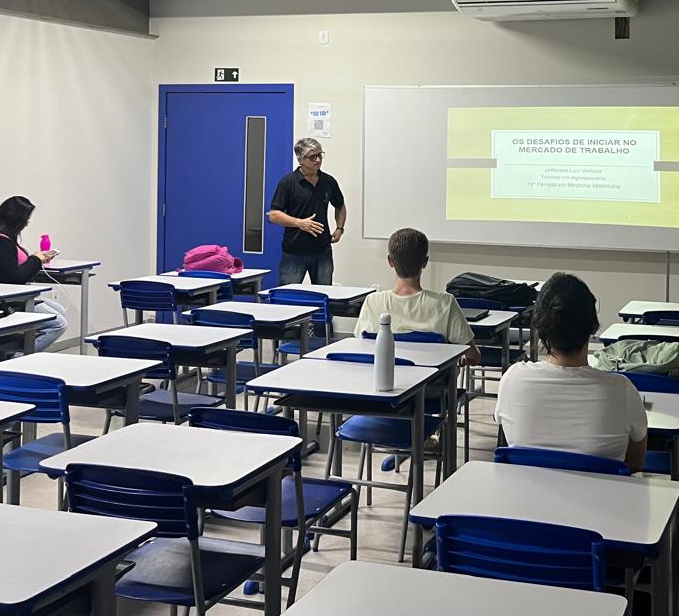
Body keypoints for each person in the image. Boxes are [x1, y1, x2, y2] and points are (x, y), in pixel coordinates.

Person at [493, 272, 648, 471]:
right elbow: (634, 465)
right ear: (594, 327)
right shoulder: (621, 390)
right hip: (600, 492)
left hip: (527, 491)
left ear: (539, 326)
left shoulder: (512, 379)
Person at [353, 227, 479, 365]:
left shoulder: (373, 302)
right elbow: (474, 356)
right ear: (425, 262)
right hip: (434, 377)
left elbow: (361, 347)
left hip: (384, 374)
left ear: (390, 261)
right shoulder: (445, 303)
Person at [0, 196, 67, 353]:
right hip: (5, 300)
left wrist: (34, 259)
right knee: (58, 324)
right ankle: (17, 358)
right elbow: (16, 277)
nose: (27, 223)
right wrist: (36, 260)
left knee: (59, 309)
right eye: (26, 219)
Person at [267, 137, 346, 285]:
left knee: (324, 293)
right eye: (312, 157)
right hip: (294, 252)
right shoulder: (288, 182)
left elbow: (340, 205)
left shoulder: (329, 182)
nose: (318, 160)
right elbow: (274, 215)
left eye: (320, 155)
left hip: (322, 250)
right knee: (288, 295)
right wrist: (299, 223)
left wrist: (340, 228)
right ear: (301, 160)